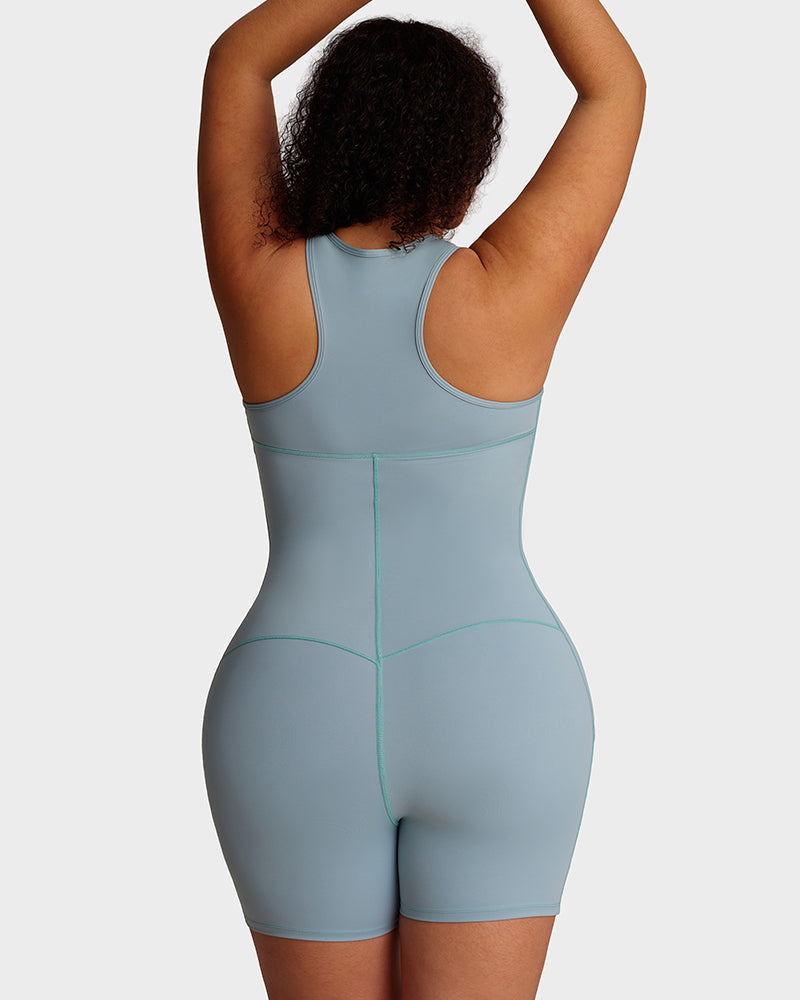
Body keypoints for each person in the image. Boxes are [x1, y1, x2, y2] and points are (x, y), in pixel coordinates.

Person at [197, 0, 645, 996]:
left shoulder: (262, 285)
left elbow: (237, 60)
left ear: (322, 137)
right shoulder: (509, 288)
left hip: (292, 706)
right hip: (500, 697)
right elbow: (614, 87)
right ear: (466, 163)